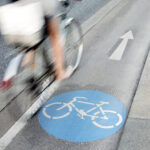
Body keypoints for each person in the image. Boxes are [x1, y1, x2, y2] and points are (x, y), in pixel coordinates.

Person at [9, 0, 69, 81]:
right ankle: (60, 73)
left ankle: (30, 51)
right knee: (54, 34)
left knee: (32, 29)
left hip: (17, 9)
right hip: (36, 6)